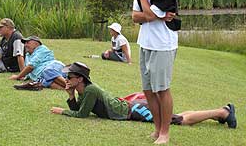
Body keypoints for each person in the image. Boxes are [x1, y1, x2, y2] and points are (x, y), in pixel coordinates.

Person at [51, 62, 237, 132]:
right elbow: (79, 109)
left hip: (134, 110)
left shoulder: (90, 90)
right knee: (175, 116)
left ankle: (223, 112)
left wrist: (62, 112)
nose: (66, 78)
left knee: (179, 120)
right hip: (130, 107)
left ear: (80, 79)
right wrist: (70, 95)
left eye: (69, 76)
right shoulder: (83, 90)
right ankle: (215, 114)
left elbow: (81, 115)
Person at [131, 0, 180, 144]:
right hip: (145, 42)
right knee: (149, 90)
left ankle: (165, 133)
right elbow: (136, 17)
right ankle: (157, 129)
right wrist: (153, 14)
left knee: (162, 89)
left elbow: (149, 15)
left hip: (163, 45)